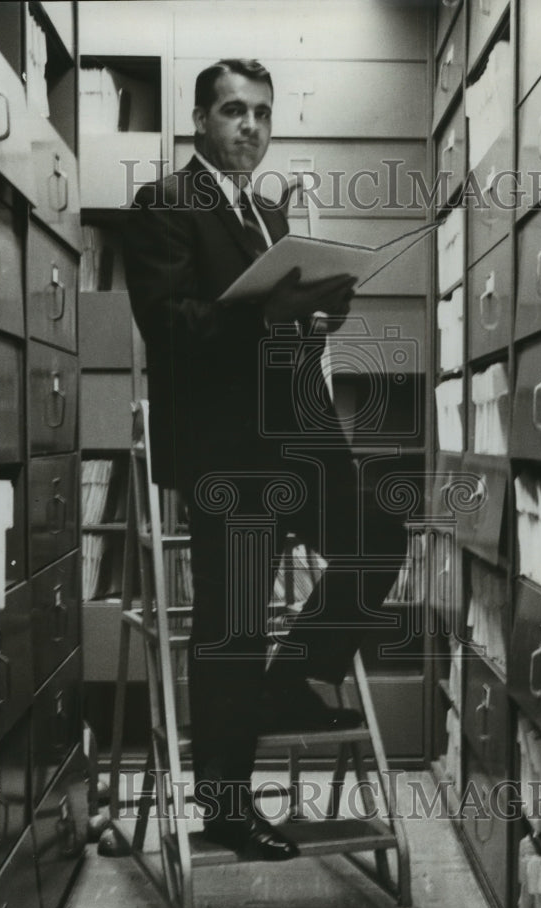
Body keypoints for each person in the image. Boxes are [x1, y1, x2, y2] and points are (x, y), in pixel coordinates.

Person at [124, 59, 407, 861]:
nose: (249, 127)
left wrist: (318, 314)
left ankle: (294, 674)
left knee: (379, 539)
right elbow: (173, 330)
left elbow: (278, 332)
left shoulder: (270, 215)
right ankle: (223, 806)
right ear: (201, 123)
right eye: (232, 111)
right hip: (225, 448)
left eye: (261, 114)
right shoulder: (164, 206)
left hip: (298, 435)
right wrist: (268, 314)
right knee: (233, 625)